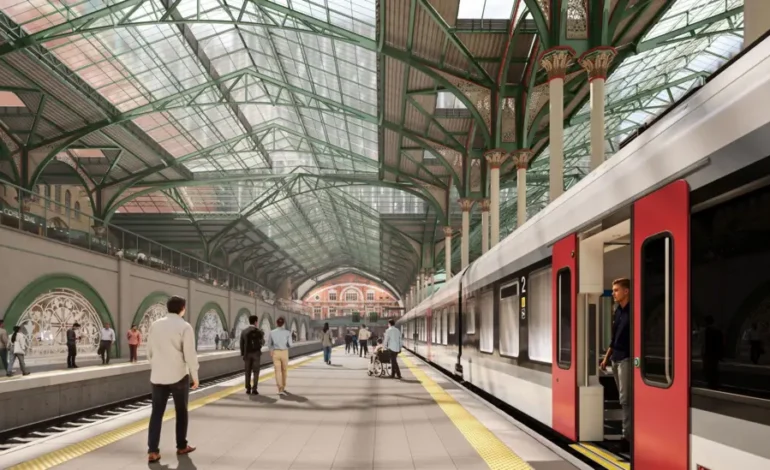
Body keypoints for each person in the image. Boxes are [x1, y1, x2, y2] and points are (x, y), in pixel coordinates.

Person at [146, 295, 198, 463]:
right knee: (181, 412)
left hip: (158, 377)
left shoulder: (155, 325)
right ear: (182, 308)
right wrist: (195, 376)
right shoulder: (185, 326)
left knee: (156, 413)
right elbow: (189, 354)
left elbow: (149, 352)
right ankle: (181, 446)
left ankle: (153, 451)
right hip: (179, 376)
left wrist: (157, 366)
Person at [600, 278, 632, 453]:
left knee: (626, 399)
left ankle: (626, 438)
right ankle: (627, 435)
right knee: (623, 399)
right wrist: (606, 358)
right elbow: (614, 339)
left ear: (626, 291)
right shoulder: (618, 311)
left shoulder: (633, 311)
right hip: (615, 359)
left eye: (616, 290)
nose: (613, 293)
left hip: (627, 358)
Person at [267, 317, 293, 395]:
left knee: (277, 371)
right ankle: (283, 386)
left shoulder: (272, 332)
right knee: (284, 370)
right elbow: (290, 344)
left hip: (276, 352)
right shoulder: (287, 332)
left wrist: (271, 351)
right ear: (283, 323)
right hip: (284, 352)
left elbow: (269, 344)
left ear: (276, 323)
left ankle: (279, 388)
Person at [240, 315, 264, 395]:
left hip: (247, 354)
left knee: (247, 371)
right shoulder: (259, 331)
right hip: (256, 354)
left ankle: (248, 388)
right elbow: (262, 342)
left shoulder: (244, 331)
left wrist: (243, 354)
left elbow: (241, 344)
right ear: (255, 322)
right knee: (256, 372)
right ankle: (254, 389)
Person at [702, 316, 723, 389]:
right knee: (714, 367)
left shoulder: (705, 331)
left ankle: (710, 383)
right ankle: (714, 382)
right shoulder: (718, 331)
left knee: (707, 368)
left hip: (707, 353)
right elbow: (720, 343)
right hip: (715, 353)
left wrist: (702, 352)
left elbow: (703, 342)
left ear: (706, 322)